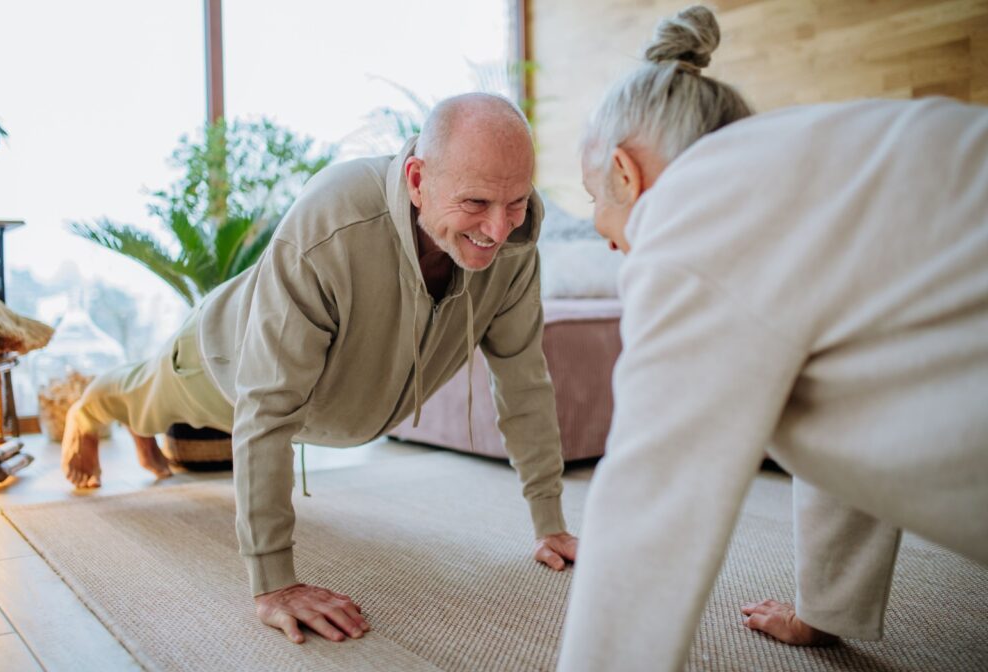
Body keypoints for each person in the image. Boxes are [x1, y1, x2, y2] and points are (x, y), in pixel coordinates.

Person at [557, 5, 988, 671]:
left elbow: (652, 494)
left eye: (595, 198)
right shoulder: (800, 161)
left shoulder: (688, 214)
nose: (597, 229)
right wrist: (825, 611)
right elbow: (849, 392)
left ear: (625, 172)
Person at [61, 92, 579, 644]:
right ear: (417, 180)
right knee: (142, 392)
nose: (498, 230)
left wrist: (551, 523)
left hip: (322, 404)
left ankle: (135, 419)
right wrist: (273, 583)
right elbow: (264, 407)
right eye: (475, 203)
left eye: (516, 203)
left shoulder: (516, 247)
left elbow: (524, 380)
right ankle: (90, 405)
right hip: (225, 364)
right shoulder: (333, 218)